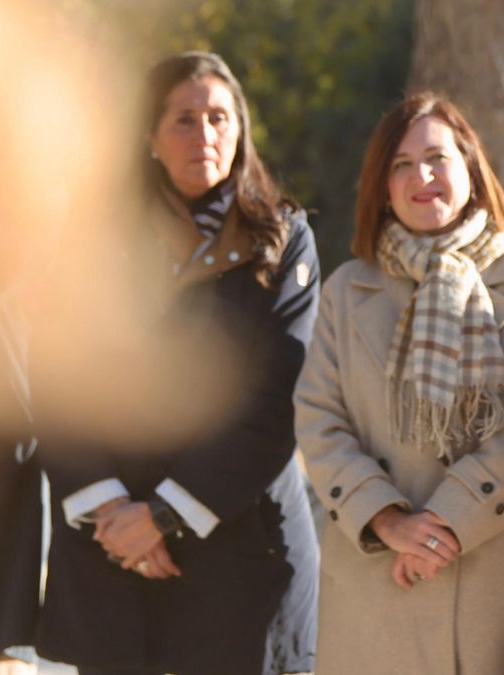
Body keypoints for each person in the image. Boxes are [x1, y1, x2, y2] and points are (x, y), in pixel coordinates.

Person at [35, 51, 320, 675]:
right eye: (184, 120)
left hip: (241, 548)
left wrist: (165, 515)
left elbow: (276, 401)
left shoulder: (282, 238)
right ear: (149, 137)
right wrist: (116, 514)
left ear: (241, 131)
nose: (205, 135)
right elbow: (58, 382)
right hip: (112, 553)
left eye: (220, 118)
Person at [293, 92, 504, 675]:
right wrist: (389, 521)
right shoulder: (346, 289)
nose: (423, 176)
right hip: (374, 578)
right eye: (401, 164)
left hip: (491, 576)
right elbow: (319, 420)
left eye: (438, 157)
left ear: (470, 167)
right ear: (382, 187)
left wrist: (443, 525)